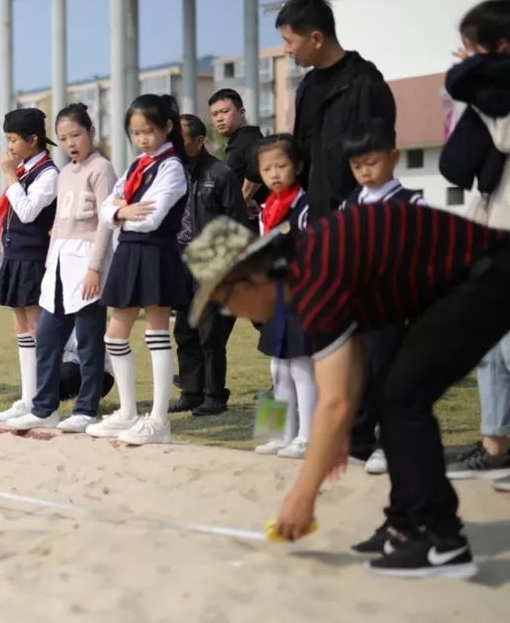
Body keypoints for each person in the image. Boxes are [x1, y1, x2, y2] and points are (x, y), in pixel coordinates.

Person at [185, 204, 510, 579]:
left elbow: (335, 401)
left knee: (403, 397)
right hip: (466, 281)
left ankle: (439, 538)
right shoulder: (304, 265)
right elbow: (352, 352)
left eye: (225, 304)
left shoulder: (315, 277)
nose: (234, 313)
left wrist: (303, 496)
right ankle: (406, 521)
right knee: (390, 393)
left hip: (486, 276)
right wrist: (338, 433)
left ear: (249, 281)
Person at [5, 102, 116, 432]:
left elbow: (106, 224)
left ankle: (86, 409)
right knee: (47, 337)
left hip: (87, 263)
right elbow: (59, 226)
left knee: (88, 340)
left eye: (76, 134)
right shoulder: (66, 172)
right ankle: (44, 409)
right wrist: (51, 269)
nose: (70, 143)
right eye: (64, 137)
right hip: (58, 264)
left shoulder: (102, 169)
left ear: (91, 132)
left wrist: (96, 268)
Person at [86, 94, 188, 445]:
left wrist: (120, 211)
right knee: (114, 335)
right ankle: (128, 412)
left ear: (167, 128)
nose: (142, 138)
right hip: (128, 252)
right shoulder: (135, 166)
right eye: (136, 132)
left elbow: (151, 218)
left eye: (149, 131)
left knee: (157, 332)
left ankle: (159, 420)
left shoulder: (172, 167)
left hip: (157, 253)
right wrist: (121, 212)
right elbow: (106, 210)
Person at [441, 0, 510, 485]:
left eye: (472, 49)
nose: (464, 58)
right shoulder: (490, 86)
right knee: (489, 343)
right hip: (490, 223)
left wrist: (480, 84)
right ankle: (494, 444)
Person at [339, 119, 426, 475]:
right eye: (357, 166)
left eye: (371, 163)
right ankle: (356, 442)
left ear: (393, 157)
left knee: (388, 375)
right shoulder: (350, 203)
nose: (365, 172)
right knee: (356, 375)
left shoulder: (411, 202)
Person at [276, 0, 396, 218]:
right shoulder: (306, 87)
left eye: (289, 41)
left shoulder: (364, 83)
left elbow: (377, 159)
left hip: (355, 222)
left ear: (317, 39)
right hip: (315, 221)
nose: (286, 50)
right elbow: (303, 158)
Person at [170, 114, 247, 417]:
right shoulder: (170, 173)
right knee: (185, 331)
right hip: (179, 262)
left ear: (199, 141)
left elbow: (237, 224)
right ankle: (191, 392)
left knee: (210, 333)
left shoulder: (221, 173)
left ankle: (214, 396)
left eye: (181, 139)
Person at [0, 108, 60, 422]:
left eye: (14, 139)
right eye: (8, 139)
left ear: (34, 139)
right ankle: (27, 397)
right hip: (15, 256)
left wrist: (9, 176)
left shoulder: (49, 173)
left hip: (34, 258)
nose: (11, 146)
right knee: (21, 327)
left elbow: (29, 211)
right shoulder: (24, 169)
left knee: (36, 328)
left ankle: (42, 401)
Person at [249, 135, 314, 460]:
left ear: (297, 166)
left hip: (300, 298)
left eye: (281, 166)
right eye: (266, 168)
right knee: (277, 369)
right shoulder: (266, 209)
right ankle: (278, 434)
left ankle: (307, 436)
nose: (274, 174)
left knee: (302, 368)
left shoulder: (307, 207)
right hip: (274, 299)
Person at [208, 89, 265, 229]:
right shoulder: (237, 142)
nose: (219, 118)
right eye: (215, 114)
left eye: (225, 111)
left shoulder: (248, 139)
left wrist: (242, 201)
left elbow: (257, 167)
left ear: (241, 113)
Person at [59, 329, 115, 402]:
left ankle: (87, 401)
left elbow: (88, 350)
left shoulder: (85, 326)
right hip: (75, 372)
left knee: (67, 371)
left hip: (101, 377)